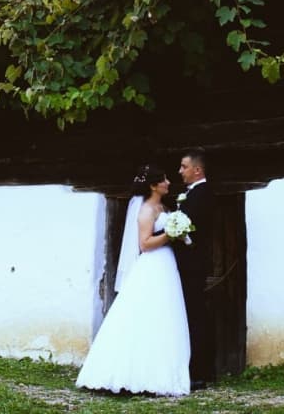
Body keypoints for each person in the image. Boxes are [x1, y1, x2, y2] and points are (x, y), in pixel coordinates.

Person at [75, 165, 191, 396]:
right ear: (153, 185)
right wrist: (170, 233)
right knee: (145, 312)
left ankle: (162, 368)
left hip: (166, 263)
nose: (169, 182)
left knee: (164, 313)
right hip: (153, 264)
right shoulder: (147, 209)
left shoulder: (163, 206)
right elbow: (144, 244)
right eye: (164, 179)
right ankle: (127, 372)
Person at [176, 148, 215, 389]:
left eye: (184, 166)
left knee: (195, 315)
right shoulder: (189, 194)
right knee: (188, 314)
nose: (180, 171)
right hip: (185, 264)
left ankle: (201, 371)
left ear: (197, 169)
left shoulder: (204, 193)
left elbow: (193, 229)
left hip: (193, 265)